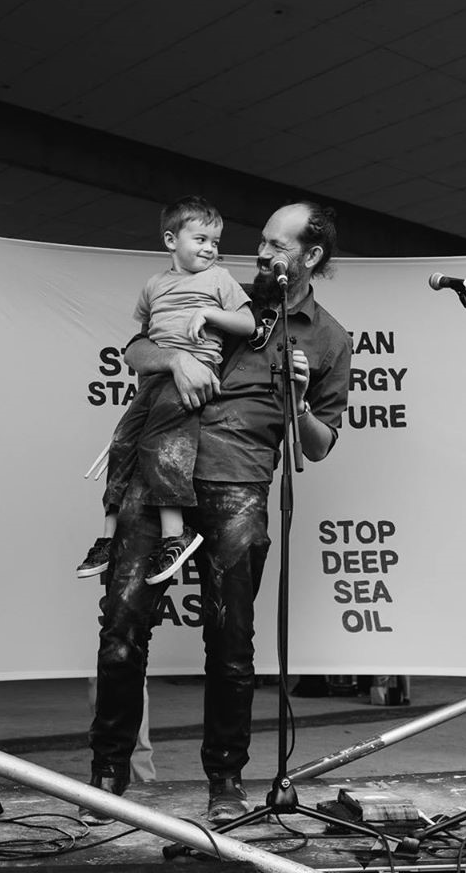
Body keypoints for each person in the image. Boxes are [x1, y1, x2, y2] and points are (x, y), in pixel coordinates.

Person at [82, 201, 352, 826]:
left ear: (310, 258)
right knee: (121, 630)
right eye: (261, 241)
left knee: (230, 644)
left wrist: (301, 397)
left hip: (239, 484)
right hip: (160, 475)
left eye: (277, 246)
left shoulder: (330, 337)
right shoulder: (218, 289)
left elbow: (318, 443)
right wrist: (174, 359)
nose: (261, 254)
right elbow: (135, 348)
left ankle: (225, 779)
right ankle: (106, 774)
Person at [76, 195, 254, 585]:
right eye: (201, 239)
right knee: (123, 443)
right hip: (154, 380)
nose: (210, 248)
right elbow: (142, 339)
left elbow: (247, 324)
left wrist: (208, 313)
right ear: (171, 240)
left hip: (196, 372)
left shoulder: (219, 279)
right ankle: (107, 537)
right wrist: (161, 356)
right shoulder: (154, 286)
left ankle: (176, 534)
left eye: (216, 242)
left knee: (159, 441)